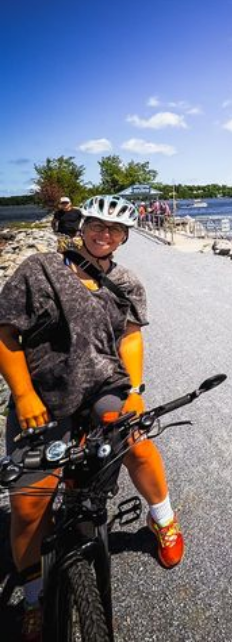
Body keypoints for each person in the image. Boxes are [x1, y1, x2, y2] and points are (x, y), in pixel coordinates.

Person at [0, 194, 184, 642]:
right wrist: (22, 394)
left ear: (124, 238)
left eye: (115, 230)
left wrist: (135, 392)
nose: (104, 234)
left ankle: (163, 521)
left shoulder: (127, 282)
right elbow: (6, 332)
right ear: (81, 225)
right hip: (43, 395)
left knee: (137, 442)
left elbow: (131, 338)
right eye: (97, 225)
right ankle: (34, 595)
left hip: (104, 387)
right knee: (27, 507)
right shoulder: (40, 269)